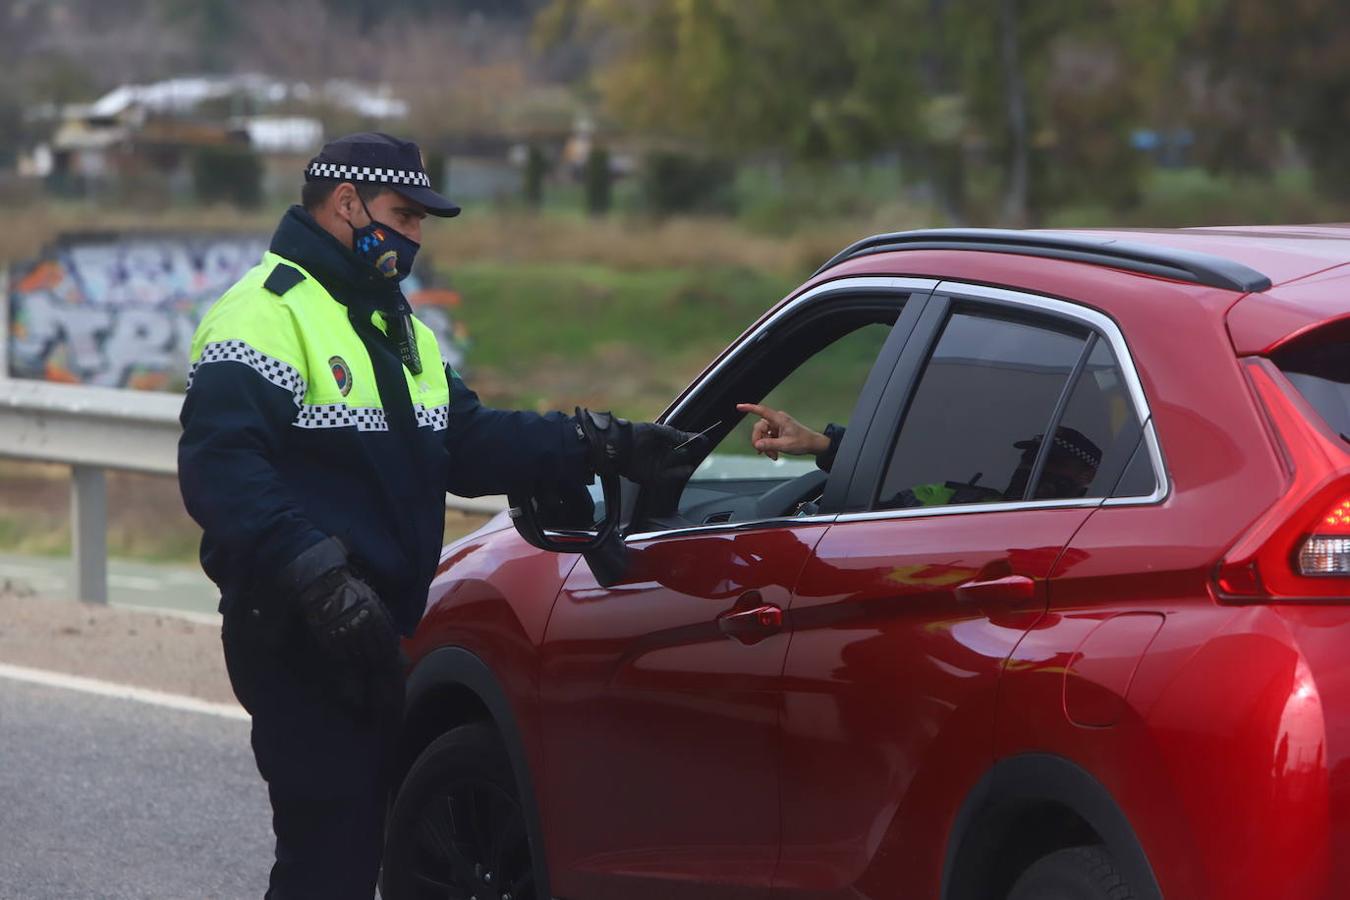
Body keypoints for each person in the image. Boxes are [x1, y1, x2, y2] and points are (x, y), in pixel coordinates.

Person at [178, 132, 698, 899]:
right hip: (294, 628)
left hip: (372, 628)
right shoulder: (265, 312)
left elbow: (467, 440)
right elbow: (220, 470)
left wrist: (594, 442)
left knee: (358, 850)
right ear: (346, 204)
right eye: (405, 215)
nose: (416, 235)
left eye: (423, 221)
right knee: (329, 856)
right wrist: (319, 577)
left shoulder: (397, 327)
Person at [736, 402, 1100, 502]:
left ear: (1089, 477)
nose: (1032, 467)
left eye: (1052, 461)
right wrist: (824, 445)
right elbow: (892, 481)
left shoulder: (1094, 527)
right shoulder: (959, 500)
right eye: (1029, 457)